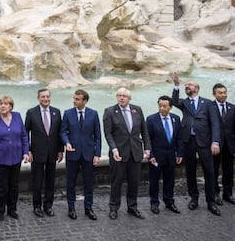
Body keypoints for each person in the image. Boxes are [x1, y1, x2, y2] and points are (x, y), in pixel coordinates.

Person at [171, 72, 221, 216]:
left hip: (205, 142)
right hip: (188, 141)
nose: (187, 86)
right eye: (186, 85)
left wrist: (215, 141)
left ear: (197, 88)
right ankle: (194, 198)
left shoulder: (208, 103)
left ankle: (211, 201)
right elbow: (174, 101)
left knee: (209, 172)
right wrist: (176, 85)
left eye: (190, 85)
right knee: (190, 171)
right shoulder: (184, 103)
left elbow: (215, 123)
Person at [103, 87, 151, 220]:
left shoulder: (137, 110)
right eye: (119, 95)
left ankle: (132, 207)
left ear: (129, 98)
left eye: (124, 96)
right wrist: (113, 149)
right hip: (118, 153)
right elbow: (108, 133)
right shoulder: (110, 111)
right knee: (116, 182)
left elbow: (144, 131)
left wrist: (147, 148)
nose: (121, 98)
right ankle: (113, 208)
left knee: (134, 182)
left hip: (135, 151)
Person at [0, 96, 29, 221]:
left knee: (14, 186)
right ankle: (0, 210)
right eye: (1, 104)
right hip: (0, 158)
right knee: (1, 187)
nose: (3, 106)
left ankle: (12, 209)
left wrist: (26, 151)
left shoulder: (17, 116)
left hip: (16, 157)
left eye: (6, 104)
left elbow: (24, 135)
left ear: (11, 106)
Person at [60, 89, 101, 221]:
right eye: (74, 98)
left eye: (77, 99)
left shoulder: (93, 114)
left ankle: (88, 208)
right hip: (72, 154)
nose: (74, 101)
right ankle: (71, 208)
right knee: (70, 183)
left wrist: (97, 154)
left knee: (89, 183)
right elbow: (63, 132)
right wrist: (66, 143)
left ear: (84, 101)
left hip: (88, 154)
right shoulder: (67, 113)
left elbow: (98, 136)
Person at [25, 88, 63, 217]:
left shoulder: (56, 112)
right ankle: (37, 206)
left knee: (50, 181)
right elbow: (25, 133)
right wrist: (28, 150)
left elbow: (60, 133)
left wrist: (60, 150)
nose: (45, 99)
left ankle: (48, 206)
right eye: (43, 97)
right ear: (38, 98)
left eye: (47, 97)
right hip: (36, 153)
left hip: (52, 152)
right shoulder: (31, 113)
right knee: (37, 181)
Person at [146, 96, 183, 214]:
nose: (162, 108)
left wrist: (180, 153)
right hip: (156, 156)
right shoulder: (151, 119)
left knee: (170, 180)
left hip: (171, 155)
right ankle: (154, 202)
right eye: (160, 106)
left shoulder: (176, 119)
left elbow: (179, 138)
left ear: (170, 107)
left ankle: (169, 201)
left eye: (165, 106)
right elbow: (148, 140)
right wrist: (150, 155)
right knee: (154, 180)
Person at [211, 83, 235, 205]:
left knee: (229, 170)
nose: (223, 95)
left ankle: (228, 194)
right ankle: (215, 194)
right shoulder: (209, 107)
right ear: (214, 94)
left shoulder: (233, 107)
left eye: (225, 92)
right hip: (215, 145)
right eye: (220, 93)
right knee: (214, 170)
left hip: (229, 145)